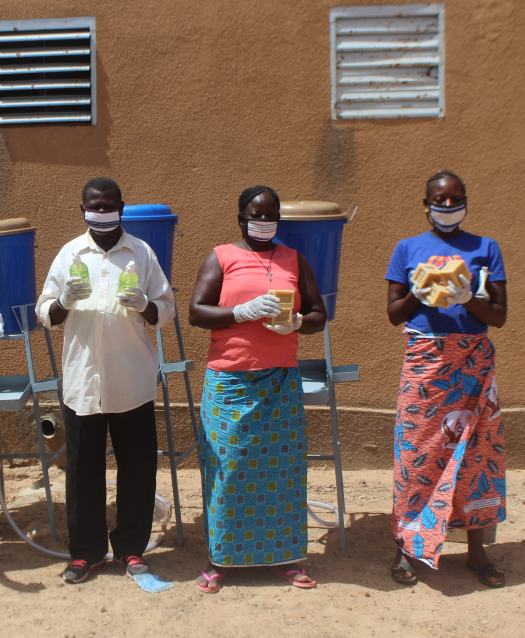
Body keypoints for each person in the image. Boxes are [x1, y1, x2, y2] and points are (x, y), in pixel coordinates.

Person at [36, 177, 176, 584]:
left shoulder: (142, 253)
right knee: (83, 471)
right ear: (82, 209)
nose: (102, 211)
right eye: (94, 206)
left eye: (109, 204)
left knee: (137, 468)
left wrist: (145, 305)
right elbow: (45, 312)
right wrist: (65, 301)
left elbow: (166, 309)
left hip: (131, 379)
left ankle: (131, 550)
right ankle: (86, 553)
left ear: (121, 207)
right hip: (83, 382)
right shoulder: (69, 254)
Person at [187, 185, 326, 594]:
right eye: (255, 214)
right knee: (228, 471)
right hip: (230, 383)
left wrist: (299, 321)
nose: (263, 221)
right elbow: (197, 312)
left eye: (270, 215)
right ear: (240, 218)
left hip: (280, 383)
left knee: (280, 473)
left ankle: (284, 558)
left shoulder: (293, 259)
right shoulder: (221, 257)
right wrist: (239, 312)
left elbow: (320, 313)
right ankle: (220, 560)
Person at [385, 171, 508, 588]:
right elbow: (393, 313)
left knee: (478, 456)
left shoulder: (486, 248)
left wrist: (467, 298)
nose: (448, 205)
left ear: (466, 201)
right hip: (426, 365)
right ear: (427, 204)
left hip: (474, 364)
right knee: (415, 455)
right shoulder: (407, 248)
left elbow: (500, 316)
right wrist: (418, 293)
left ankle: (476, 552)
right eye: (440, 199)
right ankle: (406, 548)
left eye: (456, 198)